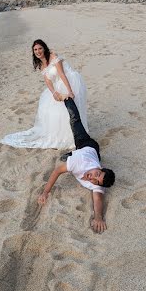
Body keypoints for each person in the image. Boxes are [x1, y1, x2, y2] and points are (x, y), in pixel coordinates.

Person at [37, 97, 115, 233]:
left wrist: (98, 218)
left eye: (96, 181)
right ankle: (67, 98)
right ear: (99, 168)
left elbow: (98, 199)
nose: (92, 178)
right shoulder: (78, 163)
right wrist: (45, 192)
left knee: (72, 159)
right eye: (97, 174)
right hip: (86, 144)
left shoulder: (98, 182)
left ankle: (70, 154)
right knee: (74, 120)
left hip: (91, 155)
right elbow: (57, 171)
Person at [0, 39, 89, 149]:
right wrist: (54, 93)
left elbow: (61, 74)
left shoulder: (53, 56)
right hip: (58, 85)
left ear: (44, 48)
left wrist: (70, 91)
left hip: (70, 81)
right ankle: (66, 134)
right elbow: (47, 81)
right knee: (55, 111)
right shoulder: (41, 65)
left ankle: (78, 133)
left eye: (40, 48)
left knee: (73, 108)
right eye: (35, 50)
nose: (38, 51)